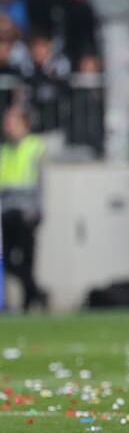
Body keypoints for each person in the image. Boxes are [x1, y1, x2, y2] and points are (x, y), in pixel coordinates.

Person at [0, 104, 47, 310]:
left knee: (27, 259)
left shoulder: (35, 146)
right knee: (9, 260)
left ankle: (31, 299)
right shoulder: (4, 150)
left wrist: (38, 210)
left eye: (11, 122)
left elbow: (42, 183)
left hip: (26, 212)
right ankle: (36, 293)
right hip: (7, 211)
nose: (7, 126)